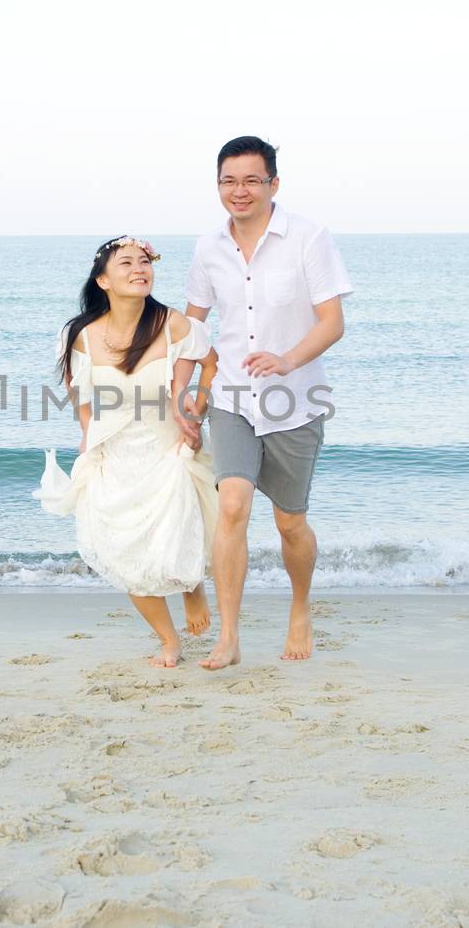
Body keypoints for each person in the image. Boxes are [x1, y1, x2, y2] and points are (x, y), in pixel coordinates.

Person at [183, 136, 353, 670]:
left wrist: (287, 359)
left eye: (252, 180)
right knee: (232, 505)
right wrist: (181, 396)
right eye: (229, 181)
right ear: (218, 187)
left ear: (273, 184)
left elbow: (333, 323)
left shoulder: (309, 238)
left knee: (289, 524)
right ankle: (228, 636)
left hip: (294, 401)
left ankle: (300, 606)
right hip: (231, 395)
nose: (240, 191)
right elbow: (192, 327)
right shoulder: (208, 247)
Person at [34, 235, 221, 667]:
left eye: (145, 262)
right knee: (123, 552)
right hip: (113, 455)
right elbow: (78, 392)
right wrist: (86, 432)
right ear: (103, 280)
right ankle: (168, 640)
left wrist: (198, 405)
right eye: (126, 263)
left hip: (166, 448)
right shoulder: (79, 334)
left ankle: (194, 589)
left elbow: (210, 362)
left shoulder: (173, 324)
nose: (140, 269)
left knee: (176, 538)